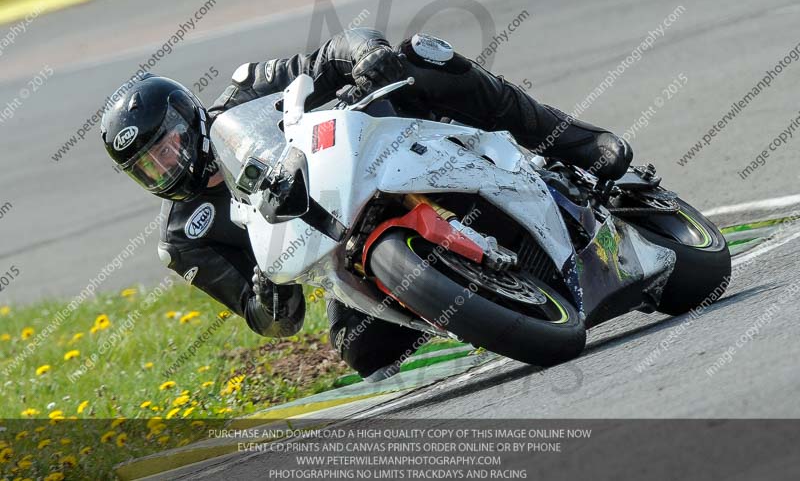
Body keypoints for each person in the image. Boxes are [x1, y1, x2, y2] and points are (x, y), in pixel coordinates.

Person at [100, 28, 631, 382]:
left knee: (421, 55)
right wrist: (269, 298)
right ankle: (482, 298)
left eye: (167, 144)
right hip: (344, 256)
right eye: (150, 166)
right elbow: (265, 319)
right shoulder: (184, 239)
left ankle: (571, 140)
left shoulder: (246, 94)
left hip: (379, 157)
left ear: (185, 116)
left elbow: (332, 52)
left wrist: (365, 55)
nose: (167, 164)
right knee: (360, 351)